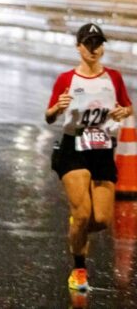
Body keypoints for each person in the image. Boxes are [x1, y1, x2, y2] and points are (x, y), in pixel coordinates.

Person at [46, 23, 133, 294]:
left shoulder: (114, 78)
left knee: (102, 219)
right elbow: (48, 116)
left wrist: (122, 112)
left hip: (103, 149)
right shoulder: (66, 79)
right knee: (83, 213)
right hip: (74, 148)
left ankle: (78, 226)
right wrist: (57, 109)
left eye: (98, 44)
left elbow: (126, 105)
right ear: (78, 47)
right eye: (88, 44)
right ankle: (79, 270)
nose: (94, 49)